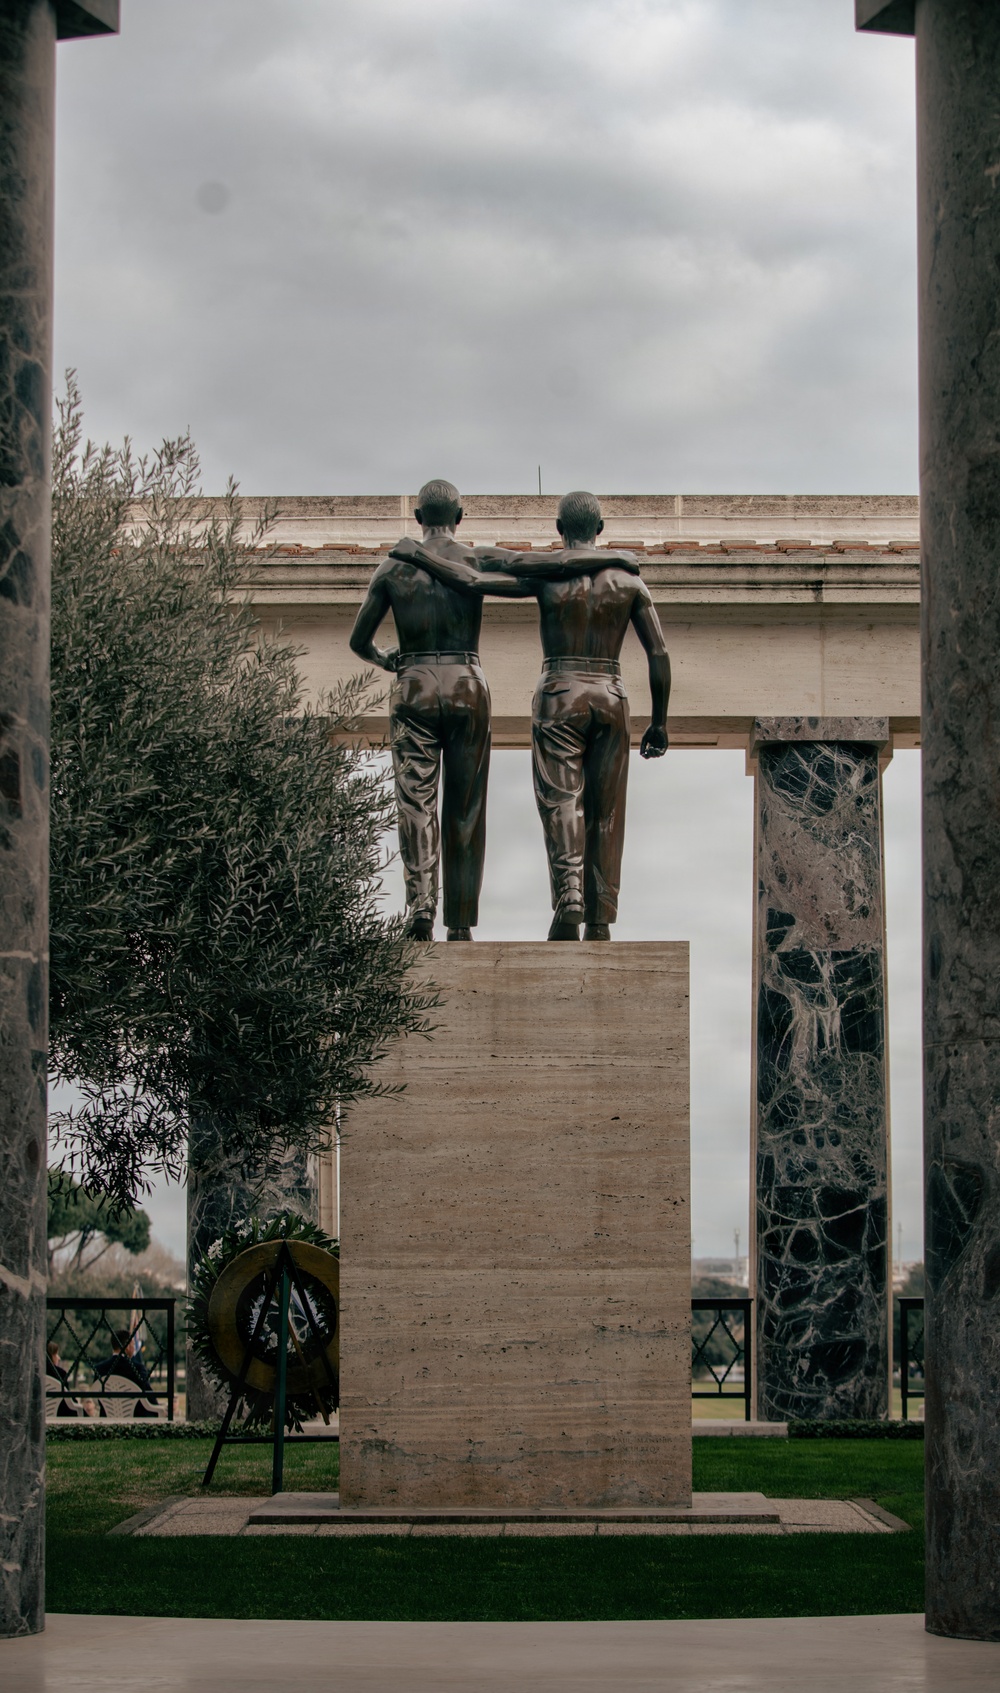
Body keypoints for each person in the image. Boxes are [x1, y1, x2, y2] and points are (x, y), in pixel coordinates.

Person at [351, 479, 640, 941]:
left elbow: (358, 641)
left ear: (420, 518)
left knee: (415, 802)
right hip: (467, 684)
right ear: (460, 516)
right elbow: (553, 563)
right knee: (467, 806)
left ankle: (421, 906)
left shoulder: (391, 568)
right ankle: (460, 923)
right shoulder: (476, 556)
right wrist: (617, 557)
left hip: (413, 685)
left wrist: (386, 659)